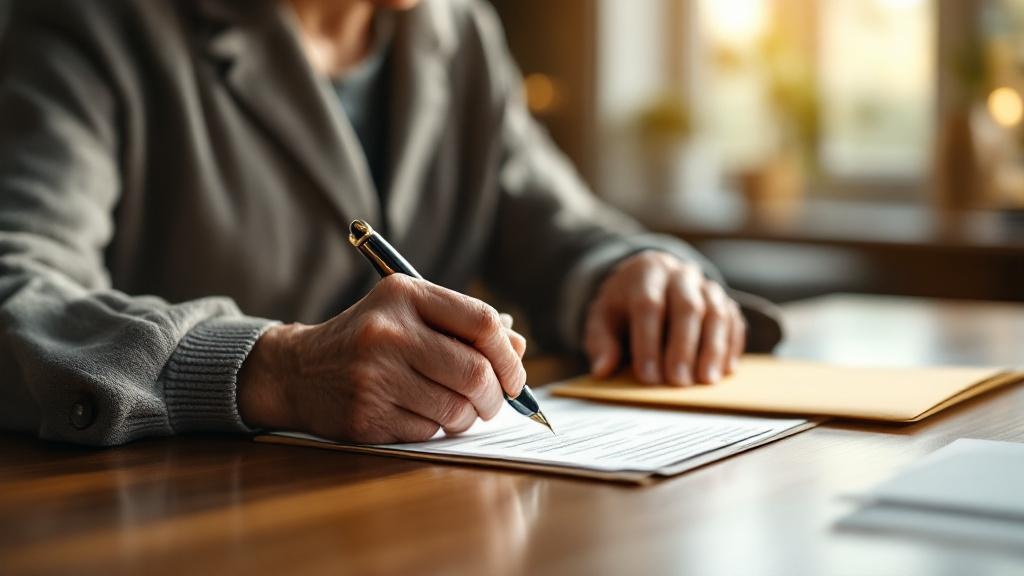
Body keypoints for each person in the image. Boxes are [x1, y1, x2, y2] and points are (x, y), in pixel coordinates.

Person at [0, 0, 772, 447]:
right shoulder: (94, 24)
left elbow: (554, 225)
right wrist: (273, 369)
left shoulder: (457, 28)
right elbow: (16, 285)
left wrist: (630, 268)